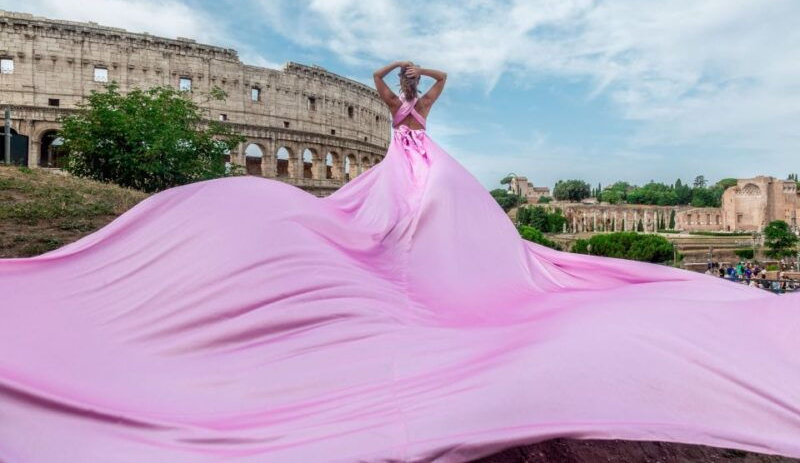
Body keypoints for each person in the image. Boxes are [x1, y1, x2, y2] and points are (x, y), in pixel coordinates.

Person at [1, 62, 799, 461]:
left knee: (426, 198)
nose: (412, 85)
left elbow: (434, 82)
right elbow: (395, 86)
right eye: (409, 84)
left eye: (412, 85)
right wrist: (398, 86)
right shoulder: (393, 103)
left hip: (417, 149)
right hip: (404, 149)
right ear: (402, 95)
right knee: (408, 200)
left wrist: (417, 84)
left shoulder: (415, 102)